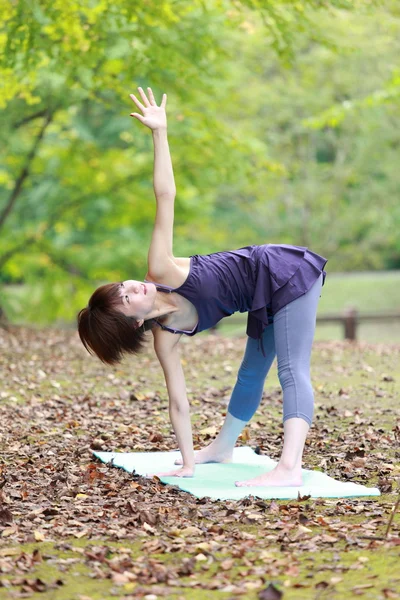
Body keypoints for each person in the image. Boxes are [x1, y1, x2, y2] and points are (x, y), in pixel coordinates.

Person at [77, 87, 328, 487]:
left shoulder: (160, 269)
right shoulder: (166, 337)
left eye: (122, 285)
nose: (131, 288)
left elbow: (165, 195)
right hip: (260, 297)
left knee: (291, 369)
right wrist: (188, 464)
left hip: (285, 272)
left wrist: (160, 133)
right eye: (124, 300)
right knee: (250, 373)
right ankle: (222, 449)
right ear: (134, 324)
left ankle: (289, 468)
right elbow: (178, 402)